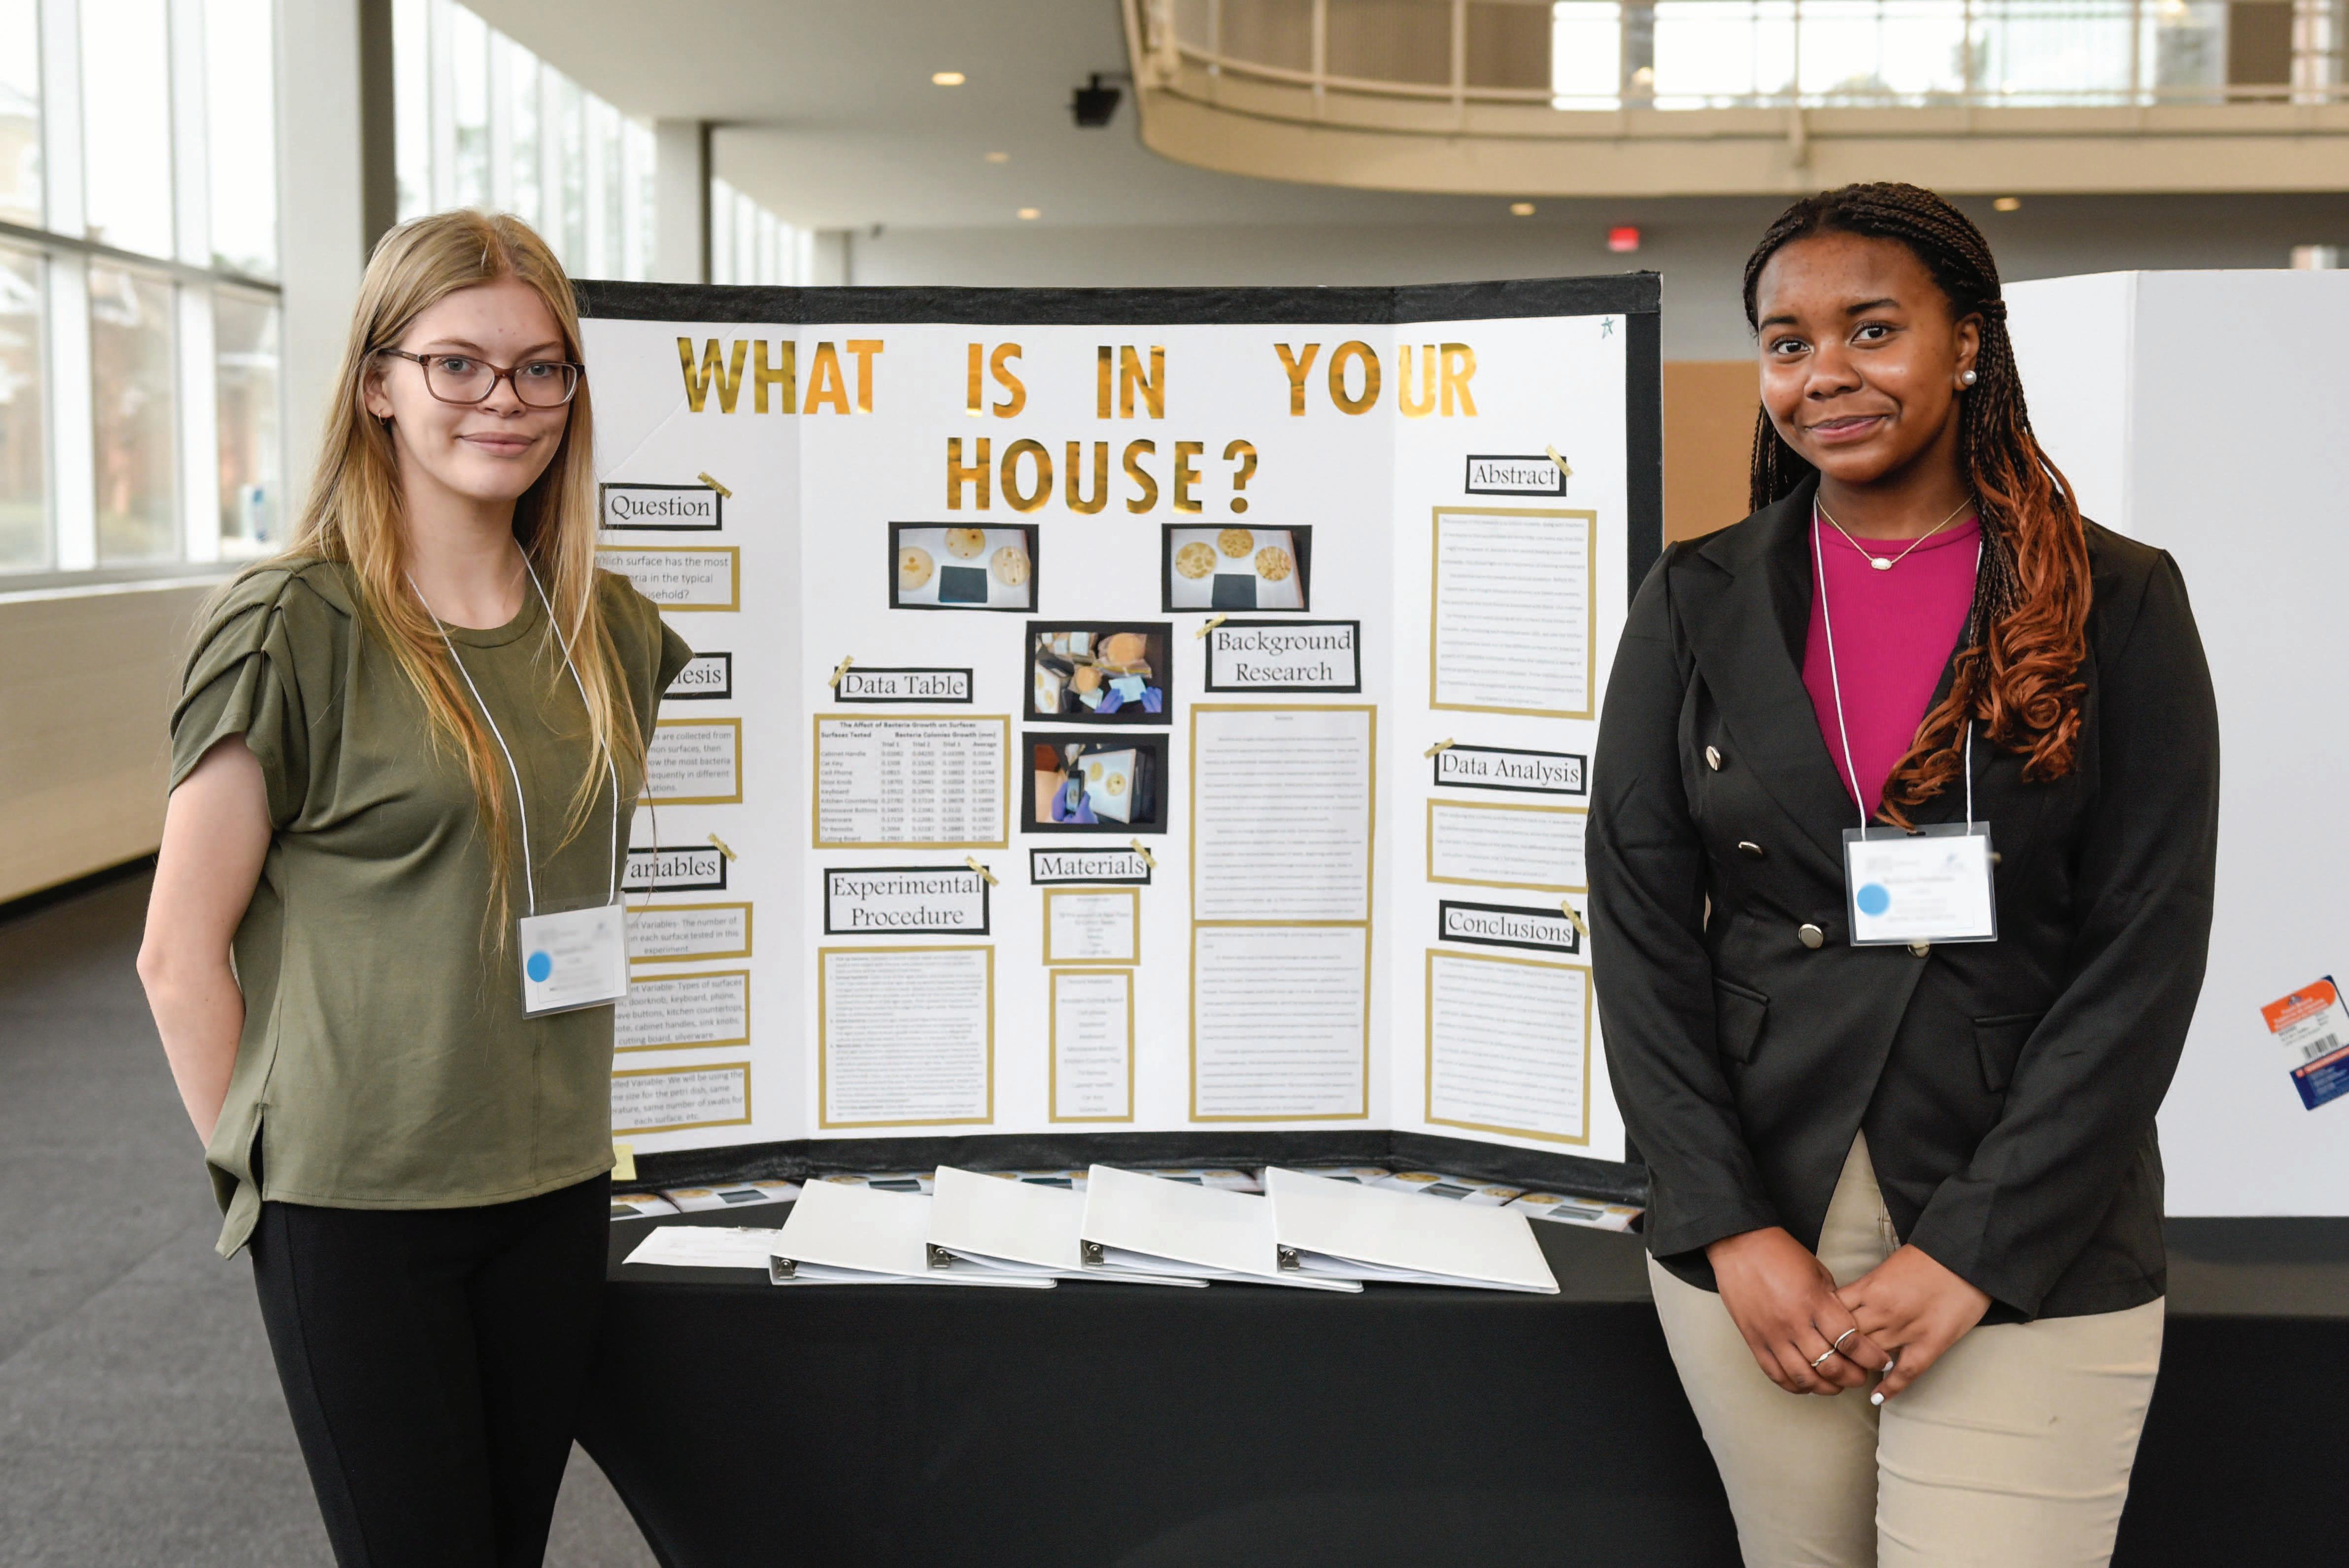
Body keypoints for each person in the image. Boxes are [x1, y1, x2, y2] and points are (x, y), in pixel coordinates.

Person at [1588, 182, 2218, 1567]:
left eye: (1872, 330)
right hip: (1766, 1216)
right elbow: (1638, 929)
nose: (1825, 374)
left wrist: (1977, 1249)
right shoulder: (1693, 596)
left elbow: (2146, 951)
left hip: (2033, 1216)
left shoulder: (2117, 599)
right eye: (1788, 343)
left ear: (1968, 343)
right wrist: (1727, 1226)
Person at [136, 210, 691, 1568]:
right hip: (357, 1207)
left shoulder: (608, 631)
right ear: (379, 383)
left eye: (541, 367)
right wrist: (272, 1183)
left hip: (554, 1186)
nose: (506, 399)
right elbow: (177, 954)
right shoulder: (293, 626)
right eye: (459, 363)